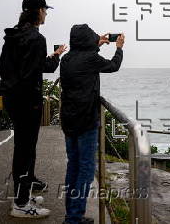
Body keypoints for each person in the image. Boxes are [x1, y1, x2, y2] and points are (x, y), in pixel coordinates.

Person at [0, 0, 67, 218]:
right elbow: (38, 70)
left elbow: (6, 69)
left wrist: (52, 57)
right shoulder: (37, 39)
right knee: (25, 151)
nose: (46, 13)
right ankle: (20, 203)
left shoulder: (12, 36)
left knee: (24, 148)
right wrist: (56, 57)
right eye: (45, 10)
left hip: (12, 100)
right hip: (28, 103)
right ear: (38, 11)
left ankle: (25, 192)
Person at [60, 24, 124, 224]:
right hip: (86, 121)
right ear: (87, 39)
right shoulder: (91, 59)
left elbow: (86, 57)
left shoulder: (66, 59)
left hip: (69, 120)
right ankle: (74, 218)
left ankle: (72, 213)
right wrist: (119, 48)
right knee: (86, 170)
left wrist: (97, 44)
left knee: (73, 167)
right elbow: (113, 66)